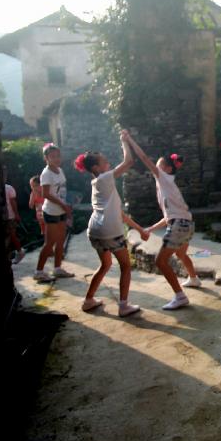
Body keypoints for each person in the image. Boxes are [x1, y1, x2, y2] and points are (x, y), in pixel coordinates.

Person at [123, 130, 201, 310]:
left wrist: (129, 140)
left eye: (158, 164)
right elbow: (168, 217)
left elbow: (143, 157)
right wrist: (150, 229)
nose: (155, 166)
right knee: (181, 254)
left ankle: (180, 296)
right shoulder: (166, 184)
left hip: (180, 225)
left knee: (160, 261)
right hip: (187, 224)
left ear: (166, 168)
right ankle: (194, 279)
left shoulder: (164, 178)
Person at [74, 133, 149, 317]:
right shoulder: (104, 178)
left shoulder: (97, 184)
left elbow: (120, 214)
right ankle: (123, 305)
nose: (107, 163)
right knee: (125, 266)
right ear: (96, 167)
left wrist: (139, 229)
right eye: (104, 161)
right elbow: (129, 162)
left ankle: (88, 300)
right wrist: (125, 141)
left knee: (105, 265)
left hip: (95, 231)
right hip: (109, 231)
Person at [33, 143, 75, 282]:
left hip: (61, 210)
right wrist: (63, 204)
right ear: (46, 158)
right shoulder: (46, 174)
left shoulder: (59, 170)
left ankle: (57, 269)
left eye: (58, 156)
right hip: (51, 212)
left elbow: (62, 190)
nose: (56, 159)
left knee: (61, 240)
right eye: (52, 157)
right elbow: (46, 194)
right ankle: (39, 272)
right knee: (49, 243)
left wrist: (66, 205)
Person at [4, 167, 24, 264]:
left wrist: (16, 215)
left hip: (10, 216)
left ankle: (20, 252)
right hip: (3, 217)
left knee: (12, 235)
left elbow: (13, 202)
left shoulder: (8, 188)